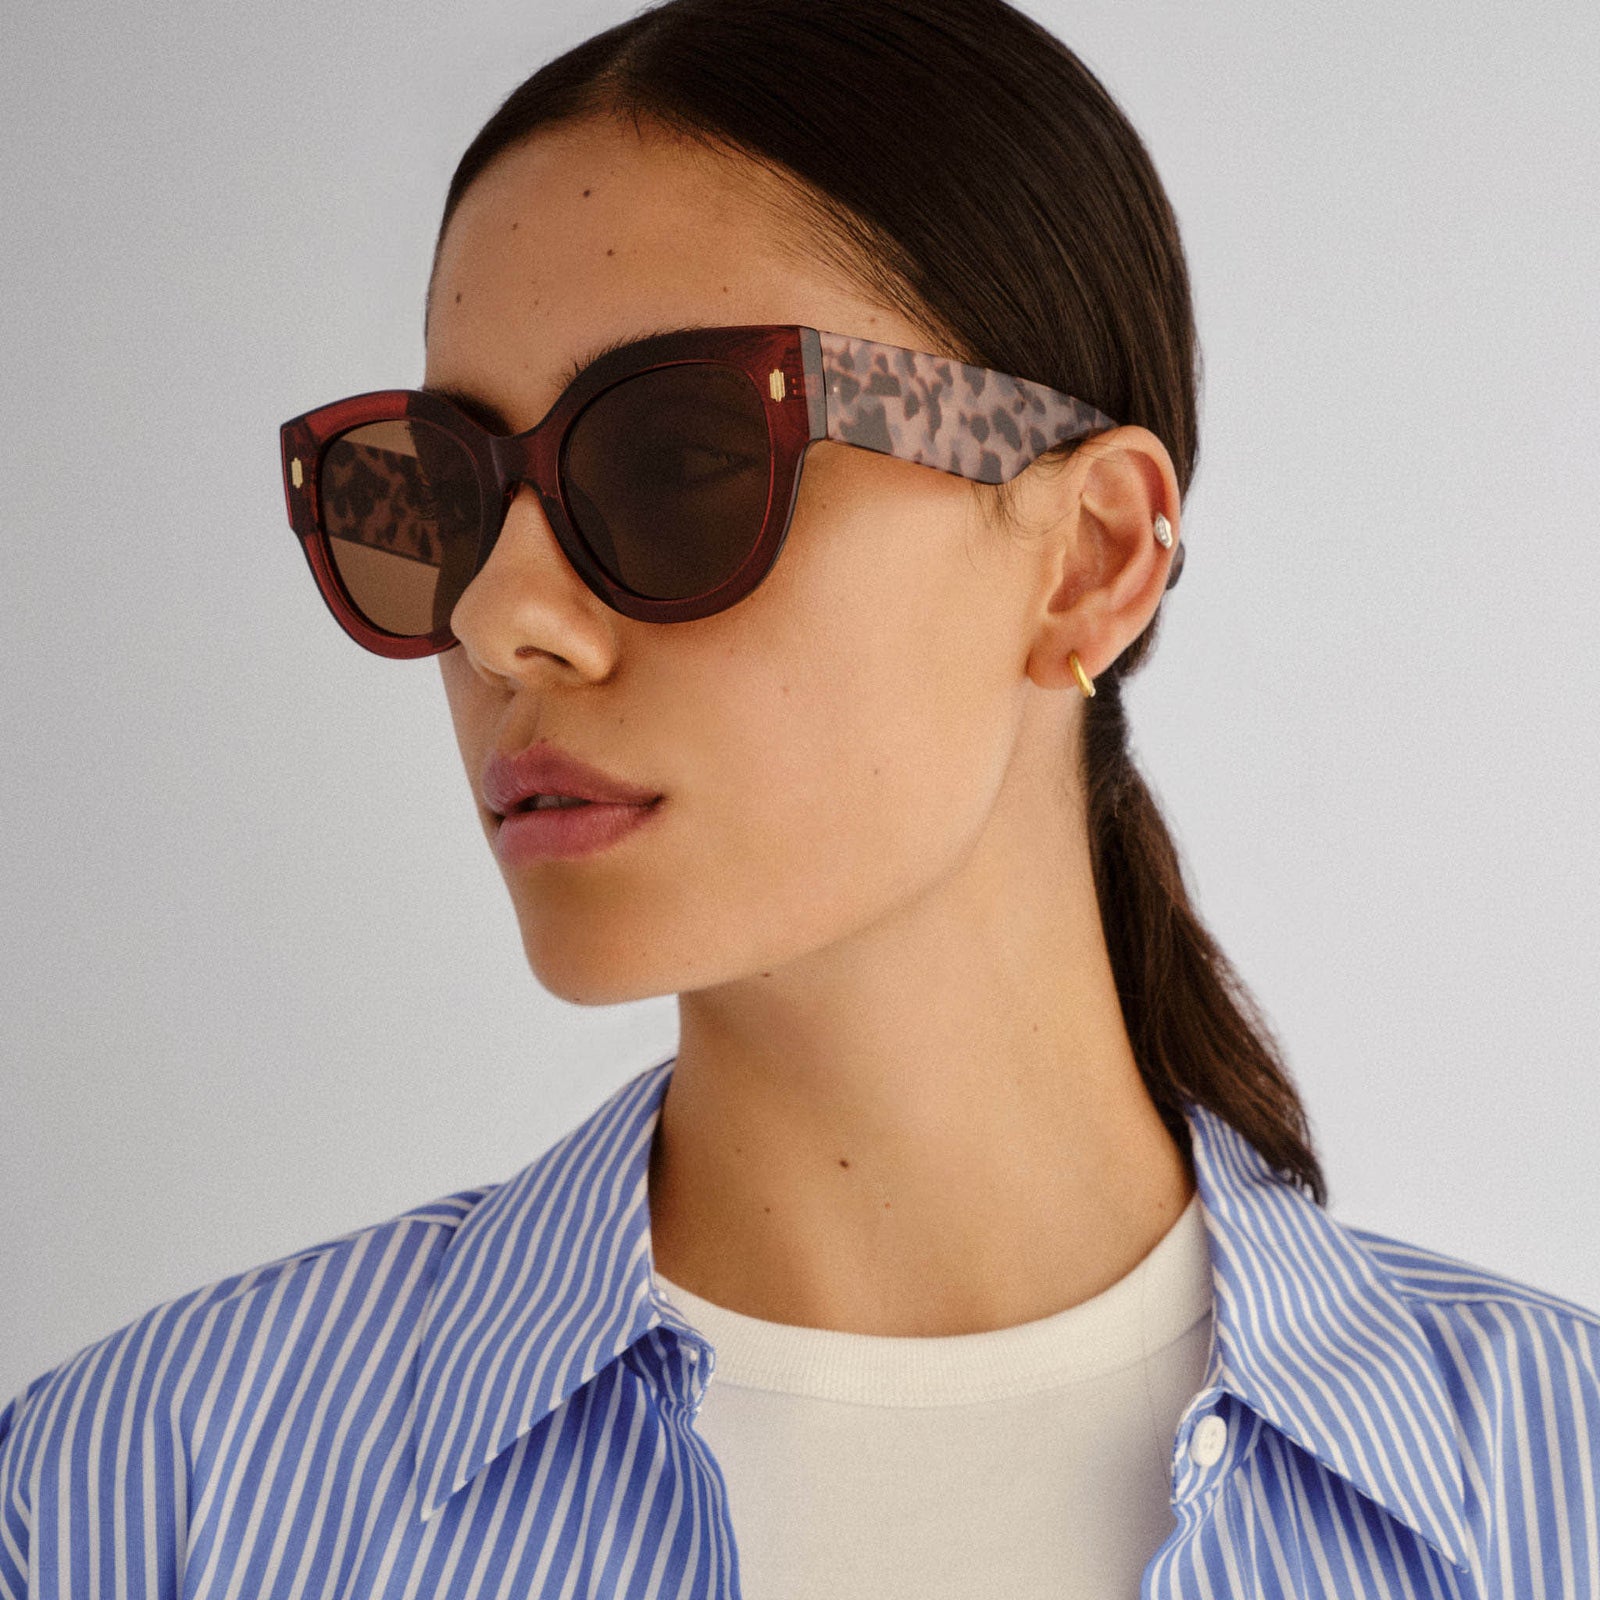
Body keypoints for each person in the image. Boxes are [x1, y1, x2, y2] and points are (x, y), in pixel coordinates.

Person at [3, 1, 1596, 1596]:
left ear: (1092, 557)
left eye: (682, 460)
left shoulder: (1561, 1491)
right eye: (439, 491)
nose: (500, 618)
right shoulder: (143, 1495)